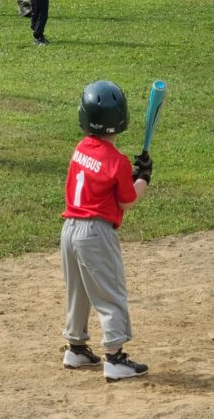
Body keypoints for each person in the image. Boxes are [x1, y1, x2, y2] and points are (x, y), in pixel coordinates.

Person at [60, 80, 152, 382]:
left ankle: (76, 349)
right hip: (95, 234)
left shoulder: (80, 148)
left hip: (70, 230)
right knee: (110, 292)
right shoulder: (117, 162)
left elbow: (101, 177)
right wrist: (144, 178)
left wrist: (131, 174)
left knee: (79, 292)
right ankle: (115, 358)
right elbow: (127, 201)